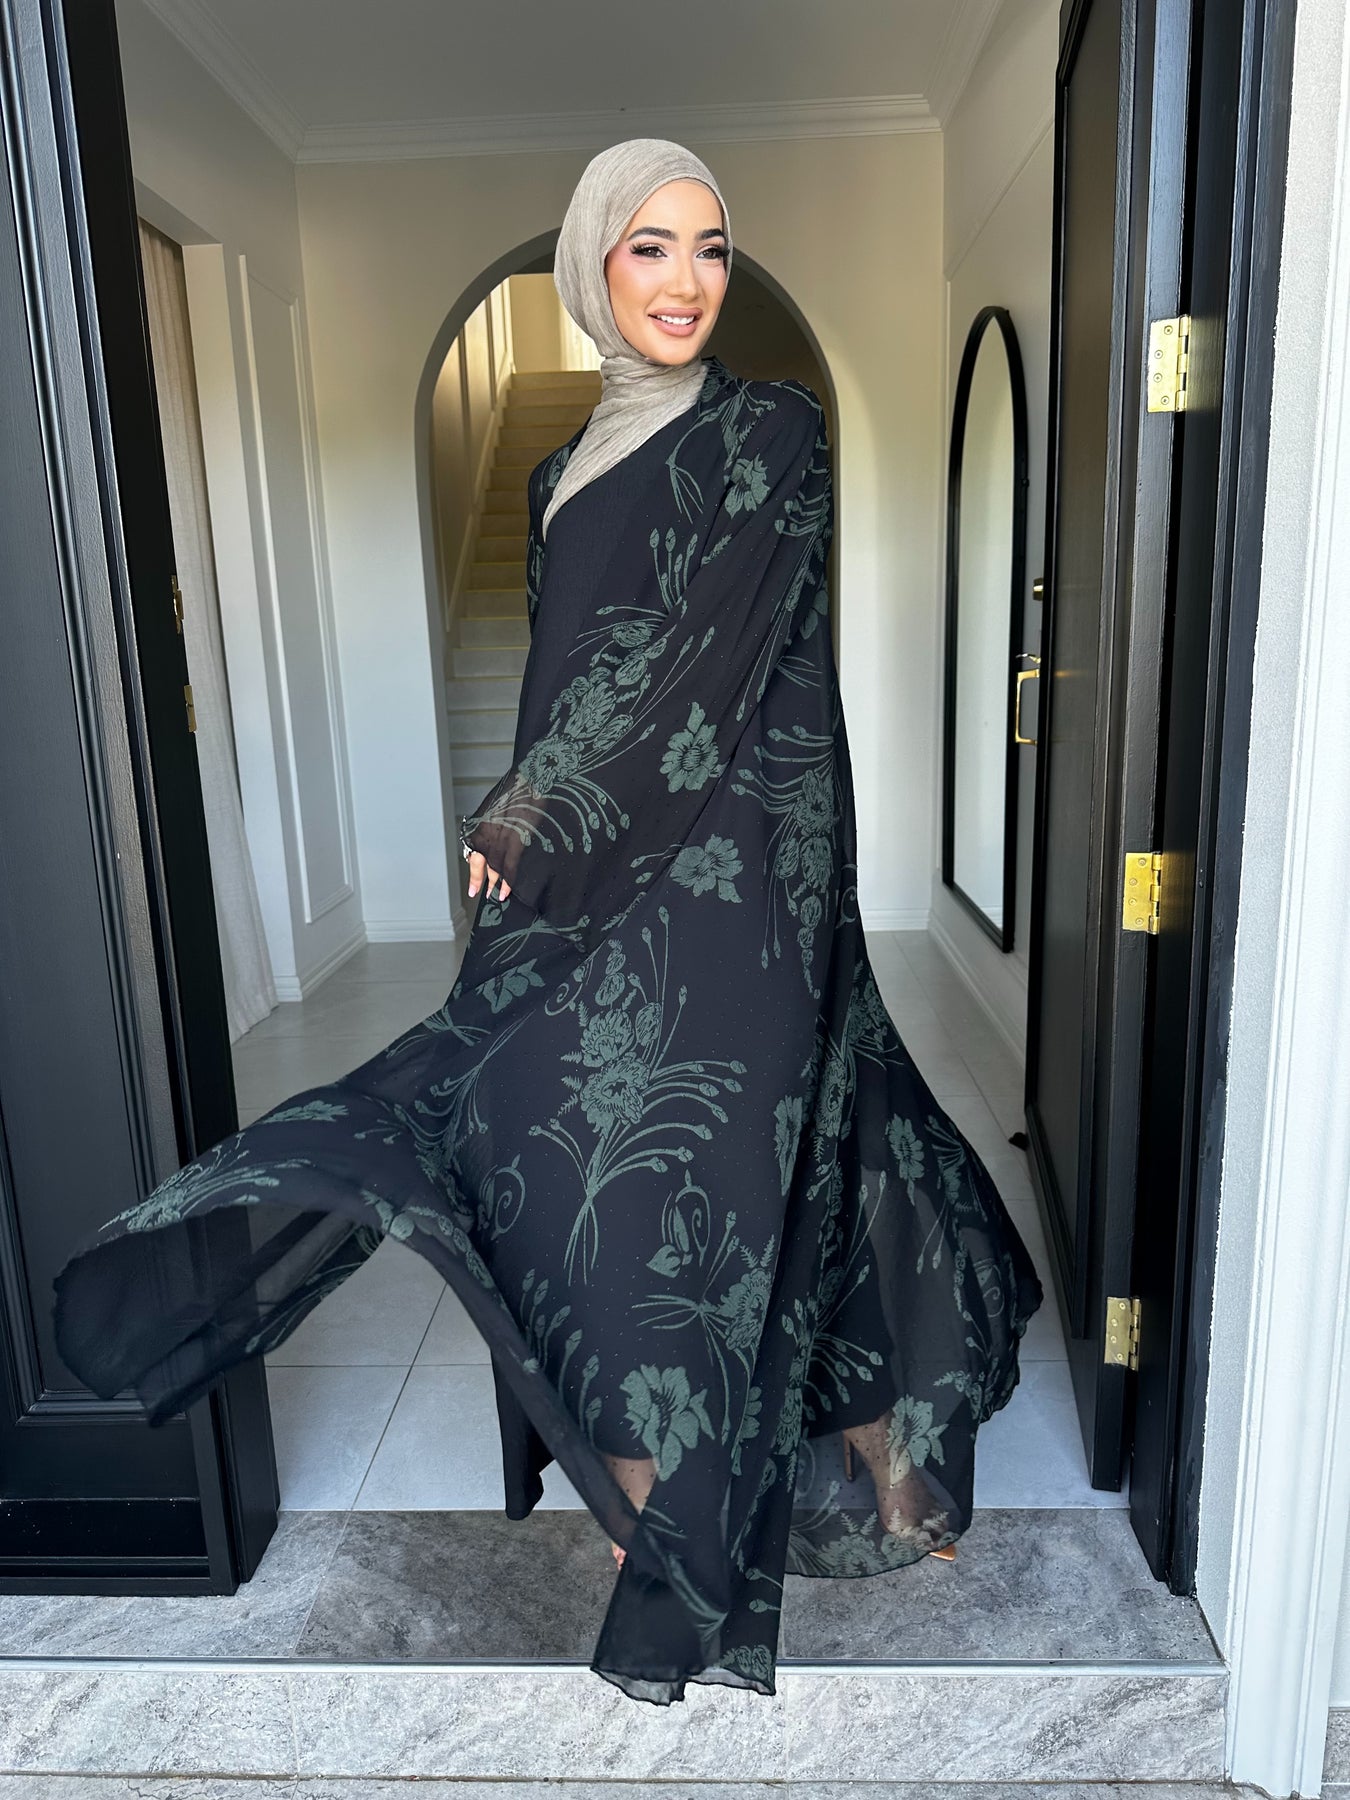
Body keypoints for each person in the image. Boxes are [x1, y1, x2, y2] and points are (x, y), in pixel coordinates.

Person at [52, 137, 1043, 1707]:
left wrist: (537, 810)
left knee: (734, 1171)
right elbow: (570, 674)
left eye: (709, 246)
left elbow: (697, 650)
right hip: (583, 867)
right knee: (555, 1144)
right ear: (592, 263)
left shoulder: (771, 431)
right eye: (649, 246)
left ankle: (807, 1479)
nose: (686, 280)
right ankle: (700, 1483)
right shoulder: (550, 470)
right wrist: (530, 830)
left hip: (738, 873)